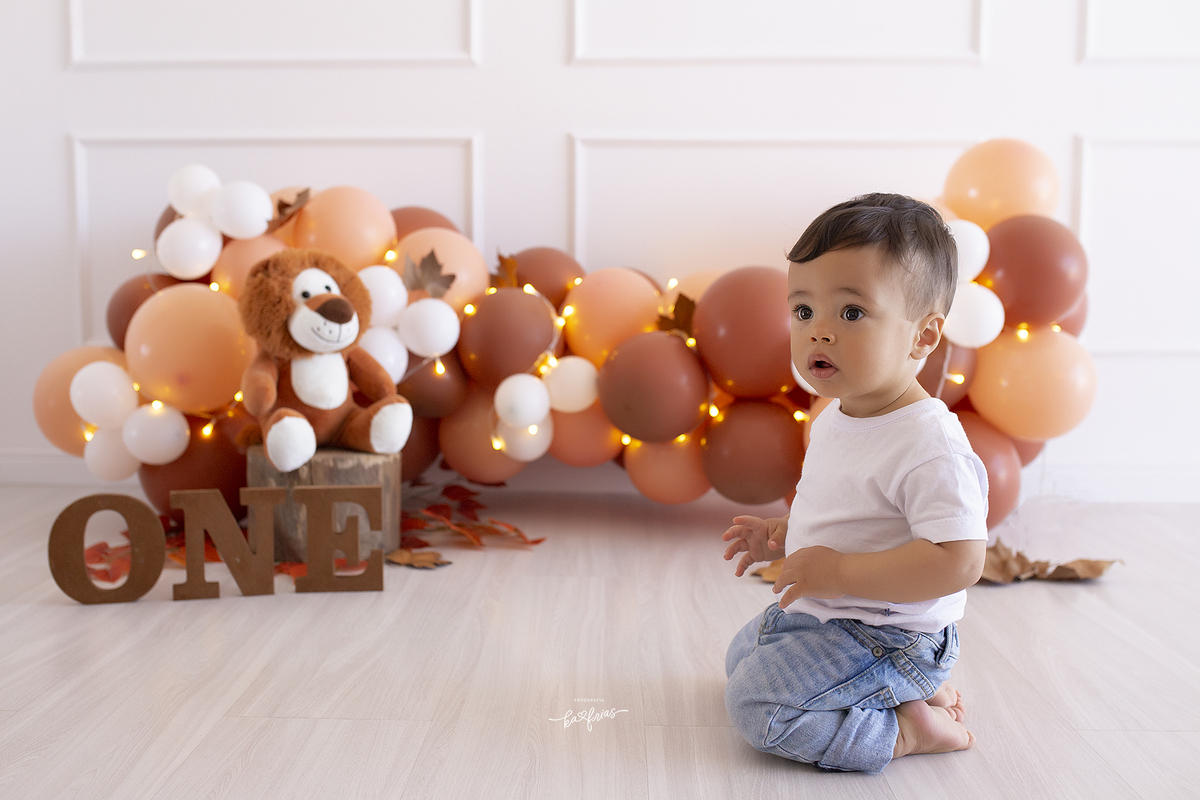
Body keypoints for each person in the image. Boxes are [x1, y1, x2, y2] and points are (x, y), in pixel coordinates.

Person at [721, 193, 989, 773]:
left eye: (850, 313)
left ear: (922, 337)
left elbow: (959, 560)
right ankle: (904, 691)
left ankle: (903, 729)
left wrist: (838, 574)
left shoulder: (928, 446)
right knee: (738, 659)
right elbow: (846, 514)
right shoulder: (840, 415)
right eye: (803, 311)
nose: (819, 332)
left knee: (757, 706)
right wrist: (783, 534)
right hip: (833, 612)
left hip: (892, 634)